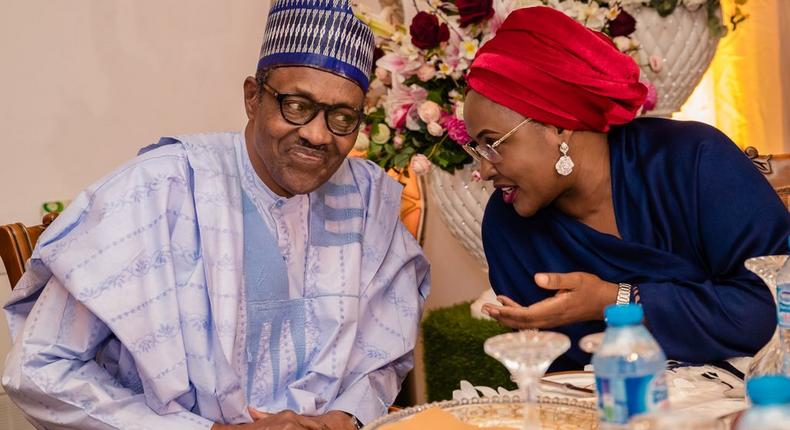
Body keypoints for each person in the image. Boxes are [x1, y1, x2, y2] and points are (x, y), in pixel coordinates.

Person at [1, 1, 429, 429]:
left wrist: (340, 419)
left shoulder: (366, 198)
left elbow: (382, 353)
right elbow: (39, 369)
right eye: (296, 105)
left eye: (342, 117)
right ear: (252, 97)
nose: (317, 135)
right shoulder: (156, 191)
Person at [465, 6, 788, 370]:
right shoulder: (506, 224)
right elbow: (555, 375)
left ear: (558, 126)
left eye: (493, 143)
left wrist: (617, 300)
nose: (484, 169)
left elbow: (773, 306)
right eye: (476, 148)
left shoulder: (692, 160)